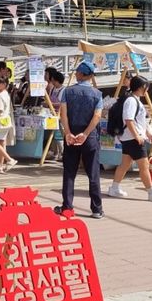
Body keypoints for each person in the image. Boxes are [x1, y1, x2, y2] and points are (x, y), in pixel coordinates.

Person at [108, 76, 152, 202]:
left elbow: (138, 121)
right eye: (146, 87)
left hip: (129, 137)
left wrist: (147, 133)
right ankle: (151, 192)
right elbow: (129, 120)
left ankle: (114, 188)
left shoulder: (133, 99)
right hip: (133, 138)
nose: (147, 89)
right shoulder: (132, 101)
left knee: (125, 164)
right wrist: (137, 136)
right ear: (142, 87)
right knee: (144, 165)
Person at [56, 61, 104, 219]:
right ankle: (96, 209)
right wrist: (85, 134)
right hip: (89, 138)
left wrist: (68, 132)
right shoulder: (97, 94)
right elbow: (97, 116)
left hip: (71, 137)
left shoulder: (67, 92)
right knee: (93, 174)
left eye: (77, 71)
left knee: (70, 172)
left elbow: (63, 114)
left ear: (82, 74)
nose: (75, 73)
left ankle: (67, 207)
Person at [48, 71, 66, 160]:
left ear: (57, 80)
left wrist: (51, 104)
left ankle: (63, 153)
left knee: (61, 134)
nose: (52, 82)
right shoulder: (52, 89)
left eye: (53, 81)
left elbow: (62, 104)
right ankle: (55, 153)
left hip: (61, 115)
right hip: (52, 114)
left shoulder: (63, 90)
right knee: (54, 134)